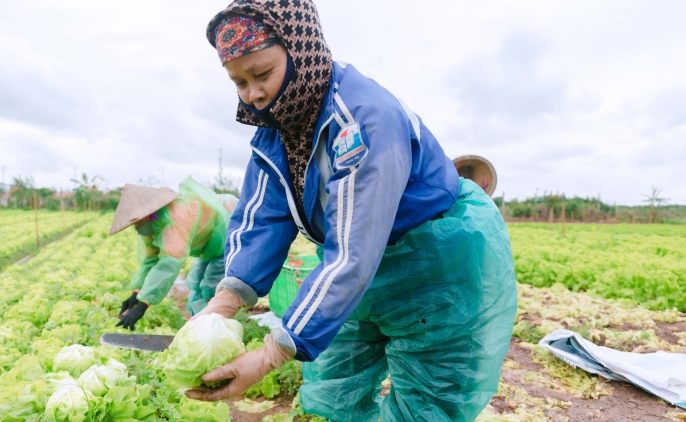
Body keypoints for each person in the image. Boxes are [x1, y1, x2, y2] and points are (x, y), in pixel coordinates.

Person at [186, 1, 518, 421]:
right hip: (363, 273)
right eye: (238, 82)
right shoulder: (277, 133)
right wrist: (224, 302)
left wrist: (271, 354)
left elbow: (353, 246)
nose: (254, 94)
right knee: (333, 394)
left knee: (427, 403)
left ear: (300, 50)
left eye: (263, 74)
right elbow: (262, 220)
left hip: (436, 267)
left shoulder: (362, 119)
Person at [110, 177, 237, 329]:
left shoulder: (176, 217)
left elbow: (168, 265)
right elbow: (150, 261)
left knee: (212, 284)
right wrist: (136, 293)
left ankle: (215, 327)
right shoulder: (152, 227)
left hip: (228, 225)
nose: (137, 227)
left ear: (149, 214)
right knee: (196, 281)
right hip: (208, 243)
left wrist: (142, 305)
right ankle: (200, 323)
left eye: (138, 223)